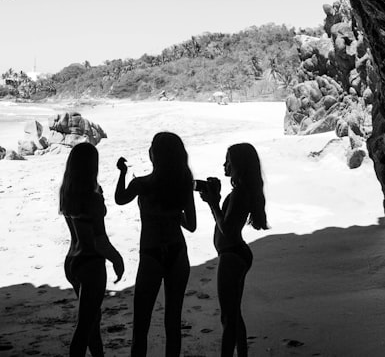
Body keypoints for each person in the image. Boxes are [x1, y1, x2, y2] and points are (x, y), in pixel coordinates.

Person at [115, 132, 197, 357]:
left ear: (155, 155)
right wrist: (173, 214)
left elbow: (120, 199)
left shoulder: (141, 184)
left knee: (141, 323)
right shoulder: (183, 185)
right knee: (173, 321)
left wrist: (122, 174)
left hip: (151, 253)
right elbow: (191, 225)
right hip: (177, 252)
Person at [197, 142, 270, 357]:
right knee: (234, 315)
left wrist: (212, 203)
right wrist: (217, 200)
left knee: (228, 318)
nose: (224, 164)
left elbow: (227, 229)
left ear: (238, 164)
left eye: (228, 160)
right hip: (237, 254)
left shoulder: (239, 193)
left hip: (231, 256)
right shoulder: (242, 191)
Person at [60, 142, 125, 357]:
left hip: (72, 261)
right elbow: (99, 240)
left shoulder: (67, 193)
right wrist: (117, 259)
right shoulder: (93, 198)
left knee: (91, 321)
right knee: (85, 326)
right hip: (91, 264)